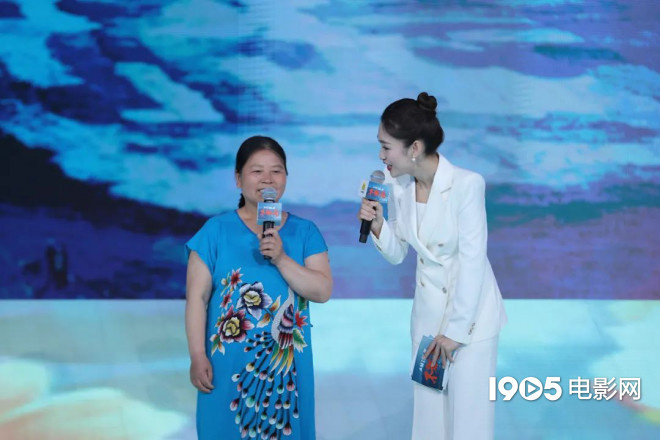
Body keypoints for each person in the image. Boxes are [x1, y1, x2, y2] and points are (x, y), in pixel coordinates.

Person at [358, 93, 507, 440]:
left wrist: (456, 332)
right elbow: (398, 252)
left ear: (414, 148)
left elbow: (473, 261)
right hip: (427, 320)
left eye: (386, 147)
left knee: (469, 425)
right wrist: (378, 225)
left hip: (470, 323)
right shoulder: (398, 187)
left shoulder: (467, 185)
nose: (381, 156)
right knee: (429, 424)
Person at [185, 136, 332, 440]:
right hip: (224, 365)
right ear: (238, 179)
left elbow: (322, 290)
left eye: (276, 171)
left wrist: (281, 258)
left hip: (286, 368)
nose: (268, 179)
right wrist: (197, 354)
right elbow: (197, 299)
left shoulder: (306, 232)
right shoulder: (214, 231)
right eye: (257, 171)